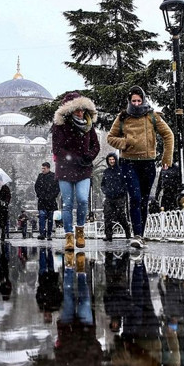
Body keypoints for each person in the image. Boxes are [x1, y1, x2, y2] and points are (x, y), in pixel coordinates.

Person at [107, 86, 174, 249]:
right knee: (135, 198)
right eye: (133, 101)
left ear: (143, 100)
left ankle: (141, 235)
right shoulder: (122, 117)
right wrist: (124, 143)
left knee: (144, 200)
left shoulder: (152, 116)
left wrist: (167, 157)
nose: (136, 104)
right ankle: (136, 234)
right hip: (128, 163)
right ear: (129, 102)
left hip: (148, 163)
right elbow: (110, 137)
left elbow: (168, 135)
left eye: (139, 100)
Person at [52, 91, 100, 252]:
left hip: (83, 168)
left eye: (82, 109)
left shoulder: (88, 126)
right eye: (77, 109)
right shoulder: (60, 126)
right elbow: (57, 149)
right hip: (65, 169)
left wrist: (88, 157)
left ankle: (80, 230)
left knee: (82, 199)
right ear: (70, 110)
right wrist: (72, 158)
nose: (80, 113)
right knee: (67, 203)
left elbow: (95, 146)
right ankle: (69, 236)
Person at [101, 152, 131, 241]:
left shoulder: (121, 170)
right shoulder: (106, 172)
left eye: (113, 159)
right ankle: (108, 235)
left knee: (120, 215)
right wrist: (105, 191)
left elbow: (126, 183)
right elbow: (102, 184)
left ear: (115, 160)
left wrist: (122, 191)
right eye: (110, 160)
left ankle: (127, 231)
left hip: (119, 197)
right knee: (107, 215)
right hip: (109, 197)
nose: (111, 161)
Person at [34, 161, 60, 240]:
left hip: (50, 201)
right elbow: (36, 186)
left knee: (50, 219)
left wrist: (52, 196)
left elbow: (57, 188)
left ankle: (48, 234)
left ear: (48, 168)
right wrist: (40, 195)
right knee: (42, 217)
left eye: (44, 168)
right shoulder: (40, 176)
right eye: (42, 168)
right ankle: (42, 233)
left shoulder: (54, 176)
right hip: (42, 201)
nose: (42, 170)